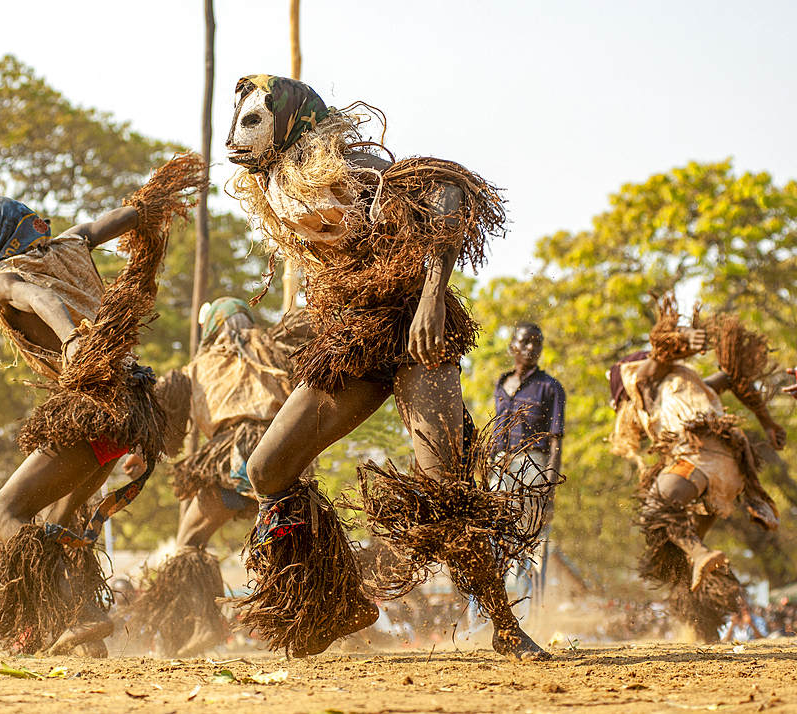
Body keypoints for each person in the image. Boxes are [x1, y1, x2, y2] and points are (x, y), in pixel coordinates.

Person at [224, 74, 549, 660]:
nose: (235, 136)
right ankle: (334, 600)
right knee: (267, 471)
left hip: (413, 327)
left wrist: (431, 295)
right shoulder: (277, 187)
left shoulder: (347, 161)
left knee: (447, 484)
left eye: (252, 122)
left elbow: (446, 190)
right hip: (354, 336)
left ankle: (504, 625)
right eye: (239, 120)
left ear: (291, 120)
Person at [0, 155, 204, 656]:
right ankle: (85, 635)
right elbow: (108, 222)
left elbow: (38, 298)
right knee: (63, 525)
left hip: (91, 410)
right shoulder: (71, 245)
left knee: (4, 513)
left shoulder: (2, 276)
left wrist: (70, 341)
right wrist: (151, 204)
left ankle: (69, 607)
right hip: (130, 410)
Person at [130, 297, 300, 658]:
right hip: (281, 457)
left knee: (190, 540)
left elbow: (163, 423)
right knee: (292, 537)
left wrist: (138, 452)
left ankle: (206, 623)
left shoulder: (195, 370)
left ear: (211, 328)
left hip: (234, 458)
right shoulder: (275, 348)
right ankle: (320, 614)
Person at [609, 299, 785, 642]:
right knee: (680, 556)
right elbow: (735, 377)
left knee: (656, 506)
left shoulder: (644, 381)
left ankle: (702, 555)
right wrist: (767, 422)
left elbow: (655, 361)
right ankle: (707, 630)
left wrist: (678, 340)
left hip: (699, 458)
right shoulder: (695, 382)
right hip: (731, 471)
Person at [492, 322, 565, 611]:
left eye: (537, 342)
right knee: (493, 539)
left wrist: (549, 490)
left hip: (533, 464)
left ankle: (527, 618)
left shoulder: (550, 387)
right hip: (499, 465)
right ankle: (484, 621)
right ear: (513, 347)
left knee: (529, 543)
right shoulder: (501, 382)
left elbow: (556, 440)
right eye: (525, 342)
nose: (531, 348)